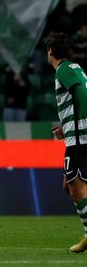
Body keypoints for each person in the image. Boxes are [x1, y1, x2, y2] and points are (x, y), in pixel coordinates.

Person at [44, 32, 87, 252]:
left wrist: (80, 122)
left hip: (80, 137)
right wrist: (67, 126)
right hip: (76, 133)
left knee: (75, 186)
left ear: (50, 51)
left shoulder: (62, 70)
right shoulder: (75, 68)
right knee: (69, 185)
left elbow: (81, 93)